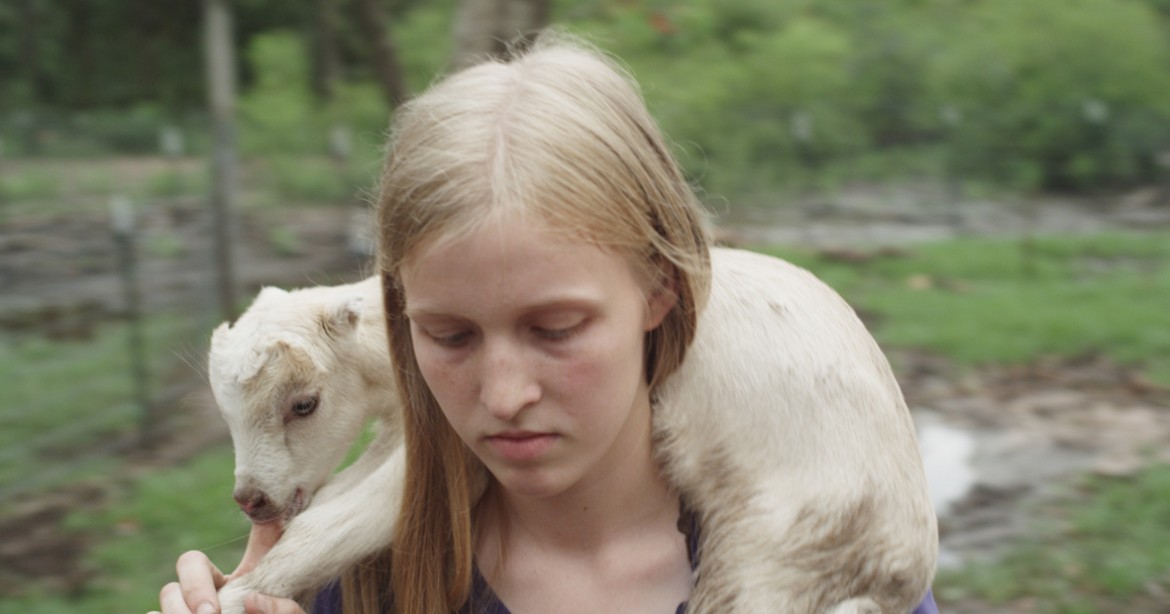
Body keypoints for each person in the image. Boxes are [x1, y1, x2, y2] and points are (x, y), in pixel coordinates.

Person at [154, 36, 938, 614]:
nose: (503, 394)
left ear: (661, 291)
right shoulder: (365, 590)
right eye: (451, 336)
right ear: (398, 323)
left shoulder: (833, 575)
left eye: (557, 328)